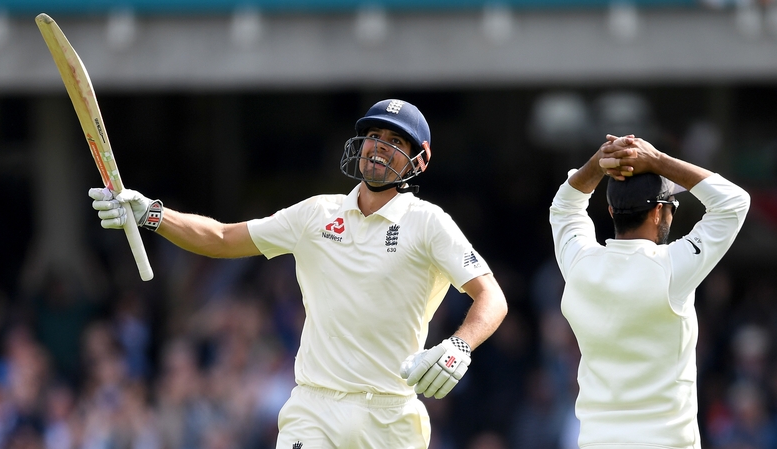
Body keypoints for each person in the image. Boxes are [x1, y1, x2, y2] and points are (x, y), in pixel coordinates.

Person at [89, 99, 508, 448]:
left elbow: (491, 296)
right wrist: (151, 213)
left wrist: (459, 345)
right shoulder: (316, 214)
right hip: (315, 409)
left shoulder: (429, 224)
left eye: (395, 141)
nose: (379, 147)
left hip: (390, 415)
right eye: (374, 137)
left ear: (419, 160)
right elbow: (220, 237)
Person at [549, 134, 750, 448]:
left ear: (612, 212)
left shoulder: (579, 265)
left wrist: (600, 162)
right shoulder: (672, 267)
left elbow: (564, 207)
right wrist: (657, 160)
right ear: (660, 211)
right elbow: (733, 201)